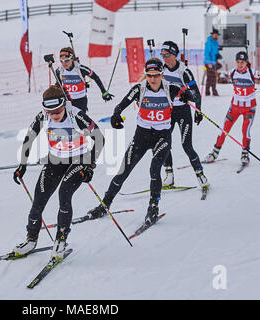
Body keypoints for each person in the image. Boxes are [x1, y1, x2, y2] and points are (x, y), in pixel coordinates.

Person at [86, 58, 206, 224]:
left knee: (154, 169)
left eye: (156, 75)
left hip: (162, 137)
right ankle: (104, 205)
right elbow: (121, 105)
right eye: (149, 75)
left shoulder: (171, 89)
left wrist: (187, 94)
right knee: (123, 170)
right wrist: (115, 116)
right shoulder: (139, 89)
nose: (152, 79)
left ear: (162, 74)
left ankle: (153, 207)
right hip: (141, 137)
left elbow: (193, 96)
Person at [12, 85, 105, 260]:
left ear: (64, 104)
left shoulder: (75, 114)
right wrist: (22, 165)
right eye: (50, 111)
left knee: (64, 195)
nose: (54, 115)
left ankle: (60, 241)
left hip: (77, 160)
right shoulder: (43, 116)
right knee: (38, 199)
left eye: (57, 110)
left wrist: (89, 165)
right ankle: (31, 239)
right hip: (55, 160)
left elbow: (99, 138)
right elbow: (29, 138)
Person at [156, 41, 208, 188]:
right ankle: (169, 175)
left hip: (183, 112)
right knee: (164, 143)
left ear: (175, 55)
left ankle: (200, 175)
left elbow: (196, 94)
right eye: (163, 55)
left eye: (167, 55)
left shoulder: (184, 72)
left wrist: (197, 110)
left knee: (187, 146)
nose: (165, 58)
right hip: (169, 112)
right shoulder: (162, 70)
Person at [205, 51, 260, 165]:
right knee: (224, 129)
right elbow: (220, 74)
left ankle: (245, 153)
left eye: (242, 62)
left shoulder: (252, 72)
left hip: (249, 108)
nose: (240, 64)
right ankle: (215, 152)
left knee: (245, 130)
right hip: (234, 108)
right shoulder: (232, 72)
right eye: (238, 62)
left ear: (246, 63)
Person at [55, 47, 114, 112]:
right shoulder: (59, 71)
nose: (64, 63)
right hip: (67, 100)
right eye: (61, 61)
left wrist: (104, 92)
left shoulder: (81, 69)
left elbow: (95, 77)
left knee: (80, 121)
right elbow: (58, 86)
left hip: (80, 100)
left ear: (71, 59)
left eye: (66, 60)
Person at [204, 29, 221, 96]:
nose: (216, 36)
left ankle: (208, 92)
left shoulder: (215, 42)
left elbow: (215, 51)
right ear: (212, 35)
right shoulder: (209, 42)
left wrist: (218, 55)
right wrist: (209, 63)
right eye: (215, 35)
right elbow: (207, 53)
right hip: (209, 63)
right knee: (212, 77)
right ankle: (212, 91)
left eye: (217, 35)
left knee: (211, 77)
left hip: (214, 62)